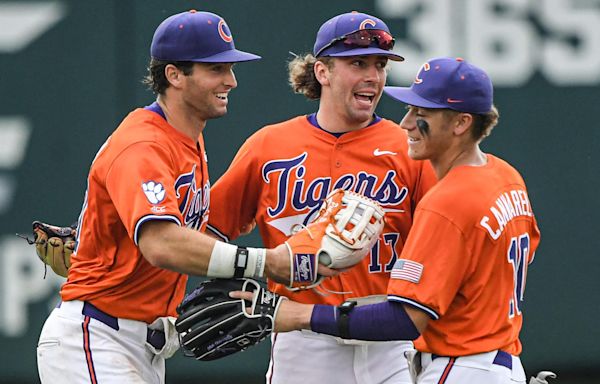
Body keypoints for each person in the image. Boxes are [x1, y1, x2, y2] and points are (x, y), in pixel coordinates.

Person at [35, 10, 337, 384]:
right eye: (215, 69)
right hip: (96, 339)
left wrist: (94, 248)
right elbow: (162, 244)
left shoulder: (187, 137)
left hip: (138, 346)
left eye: (230, 67)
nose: (231, 80)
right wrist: (266, 263)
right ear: (174, 75)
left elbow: (185, 237)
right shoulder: (143, 144)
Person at [236, 57, 541, 384]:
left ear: (461, 123)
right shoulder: (506, 177)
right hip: (499, 359)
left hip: (461, 365)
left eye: (421, 114)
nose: (406, 123)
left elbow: (405, 319)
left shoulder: (446, 201)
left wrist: (298, 314)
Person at [207, 11, 436, 384]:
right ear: (322, 71)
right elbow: (211, 229)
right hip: (303, 340)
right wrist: (236, 277)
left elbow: (441, 245)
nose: (373, 77)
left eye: (380, 65)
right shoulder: (269, 146)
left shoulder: (408, 148)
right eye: (357, 62)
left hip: (389, 338)